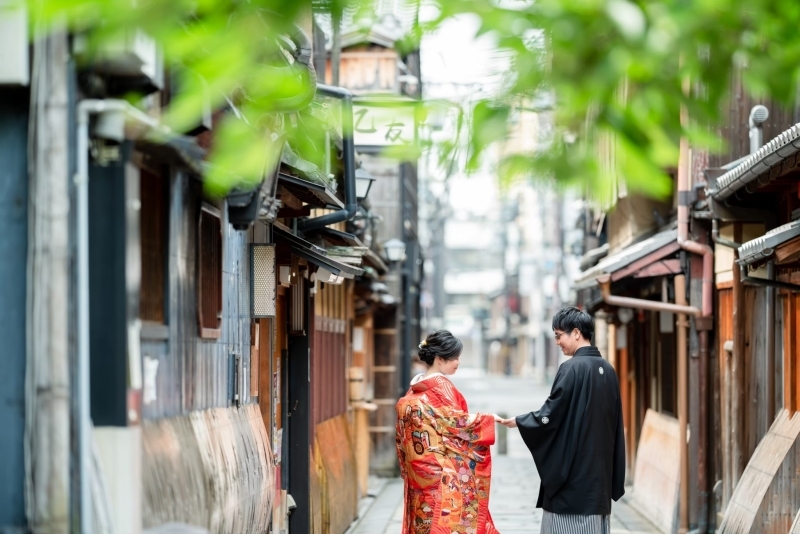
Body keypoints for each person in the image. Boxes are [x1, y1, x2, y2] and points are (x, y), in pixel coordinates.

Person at [500, 306, 625, 534]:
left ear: (576, 333)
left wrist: (521, 421)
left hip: (573, 473)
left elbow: (551, 414)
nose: (557, 342)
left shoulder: (571, 368)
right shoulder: (608, 370)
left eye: (559, 336)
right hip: (599, 474)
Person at [395, 330, 502, 534]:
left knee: (423, 521)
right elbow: (455, 422)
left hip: (418, 473)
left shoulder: (414, 389)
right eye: (454, 357)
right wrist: (486, 420)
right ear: (439, 359)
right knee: (446, 523)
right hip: (442, 474)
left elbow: (403, 435)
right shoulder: (441, 387)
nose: (458, 362)